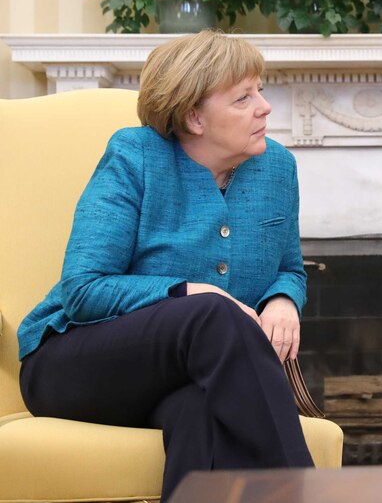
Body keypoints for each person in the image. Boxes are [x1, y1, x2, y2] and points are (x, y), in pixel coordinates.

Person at [17, 30, 314, 500]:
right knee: (215, 312)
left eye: (260, 90)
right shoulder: (135, 157)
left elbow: (290, 268)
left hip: (184, 376)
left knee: (200, 413)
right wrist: (191, 292)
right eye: (243, 98)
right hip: (72, 365)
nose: (265, 106)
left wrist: (283, 300)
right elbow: (82, 290)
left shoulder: (276, 168)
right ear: (194, 116)